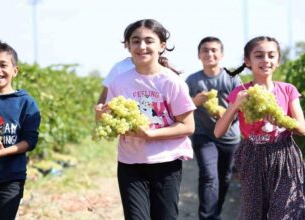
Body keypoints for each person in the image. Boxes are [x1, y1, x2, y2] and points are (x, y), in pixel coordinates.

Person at [96, 19, 196, 220]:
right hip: (130, 163)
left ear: (162, 46)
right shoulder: (119, 82)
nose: (142, 47)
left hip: (166, 162)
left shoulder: (172, 82)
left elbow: (188, 126)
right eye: (136, 41)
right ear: (128, 46)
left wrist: (151, 134)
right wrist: (101, 115)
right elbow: (109, 120)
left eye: (148, 41)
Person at [214, 36, 305, 219]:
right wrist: (235, 105)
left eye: (271, 55)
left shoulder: (288, 90)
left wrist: (283, 120)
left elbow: (303, 128)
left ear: (278, 60)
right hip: (251, 156)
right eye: (259, 55)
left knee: (286, 212)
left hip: (284, 155)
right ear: (248, 61)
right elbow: (218, 132)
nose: (266, 60)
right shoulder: (240, 93)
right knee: (253, 213)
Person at [185, 36, 241, 220]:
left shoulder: (232, 78)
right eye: (205, 50)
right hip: (204, 135)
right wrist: (195, 101)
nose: (210, 53)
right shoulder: (192, 80)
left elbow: (242, 107)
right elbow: (181, 107)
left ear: (221, 55)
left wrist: (225, 115)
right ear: (199, 55)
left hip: (229, 137)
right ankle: (207, 217)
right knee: (209, 175)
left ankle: (214, 213)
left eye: (214, 50)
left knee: (224, 178)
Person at [0, 40, 41, 220]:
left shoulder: (26, 103)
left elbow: (29, 141)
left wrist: (2, 152)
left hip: (11, 178)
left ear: (15, 70)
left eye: (3, 65)